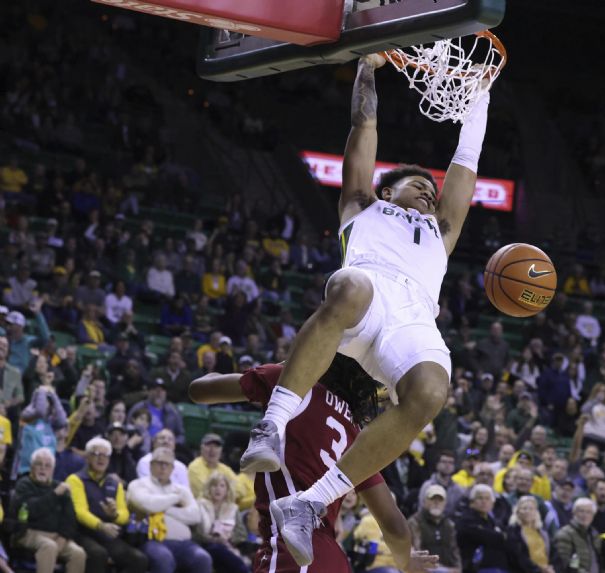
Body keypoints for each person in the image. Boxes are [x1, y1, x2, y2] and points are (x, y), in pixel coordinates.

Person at [238, 50, 494, 567]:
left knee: (431, 391)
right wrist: (366, 70)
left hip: (414, 317)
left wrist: (481, 93)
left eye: (431, 186)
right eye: (415, 183)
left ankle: (308, 504)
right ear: (385, 190)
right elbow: (364, 122)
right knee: (350, 287)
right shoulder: (361, 206)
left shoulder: (441, 232)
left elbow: (467, 162)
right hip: (368, 295)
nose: (427, 188)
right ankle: (273, 423)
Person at [188, 355, 439, 573]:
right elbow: (394, 523)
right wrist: (405, 561)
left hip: (295, 552)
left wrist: (288, 366)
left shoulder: (290, 384)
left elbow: (199, 390)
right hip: (334, 559)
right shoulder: (356, 434)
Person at [66, 437, 148, 573]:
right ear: (87, 457)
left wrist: (115, 515)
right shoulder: (75, 479)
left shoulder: (115, 483)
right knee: (99, 554)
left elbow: (124, 514)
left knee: (139, 559)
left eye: (105, 455)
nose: (101, 459)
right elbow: (80, 512)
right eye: (97, 454)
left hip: (106, 534)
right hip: (82, 532)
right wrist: (100, 525)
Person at [127, 446, 212, 573]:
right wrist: (175, 499)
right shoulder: (138, 484)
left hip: (184, 543)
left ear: (173, 468)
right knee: (164, 558)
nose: (163, 467)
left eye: (167, 464)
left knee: (203, 558)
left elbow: (195, 516)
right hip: (153, 541)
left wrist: (162, 508)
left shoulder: (182, 490)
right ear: (151, 465)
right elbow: (147, 504)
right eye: (159, 463)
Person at [11, 447, 87, 573]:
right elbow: (30, 510)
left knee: (78, 553)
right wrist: (54, 494)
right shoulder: (24, 484)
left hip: (57, 535)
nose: (43, 468)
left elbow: (70, 517)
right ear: (31, 467)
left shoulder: (59, 486)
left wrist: (63, 536)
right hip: (28, 532)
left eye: (47, 466)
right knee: (49, 546)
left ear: (52, 470)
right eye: (39, 464)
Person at [187, 433, 254, 510]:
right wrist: (228, 492)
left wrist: (220, 494)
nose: (212, 450)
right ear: (201, 448)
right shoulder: (195, 466)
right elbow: (206, 492)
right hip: (201, 509)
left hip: (223, 509)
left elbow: (241, 490)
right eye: (208, 445)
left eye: (216, 446)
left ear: (221, 450)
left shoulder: (224, 468)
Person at [408, 485, 462, 572]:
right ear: (425, 501)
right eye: (433, 499)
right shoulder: (415, 522)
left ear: (445, 503)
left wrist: (458, 568)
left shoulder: (449, 524)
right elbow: (416, 550)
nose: (436, 502)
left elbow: (454, 551)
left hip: (446, 569)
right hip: (424, 568)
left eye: (440, 500)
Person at [553, 497, 601, 573]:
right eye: (581, 511)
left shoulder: (594, 534)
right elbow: (565, 563)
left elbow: (600, 560)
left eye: (588, 512)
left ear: (593, 515)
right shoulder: (565, 534)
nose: (585, 515)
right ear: (574, 513)